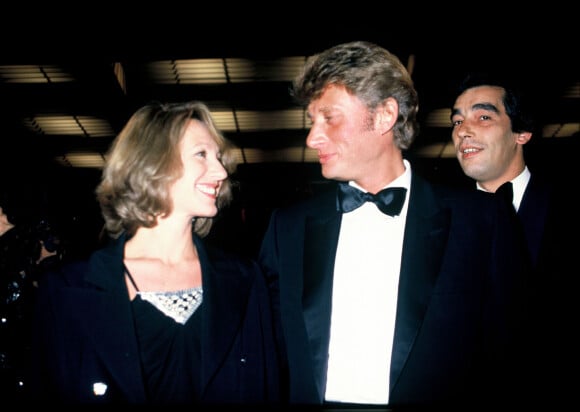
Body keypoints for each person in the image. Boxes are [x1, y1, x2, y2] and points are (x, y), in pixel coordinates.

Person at [258, 41, 530, 408]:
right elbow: (265, 352)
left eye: (330, 117)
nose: (312, 137)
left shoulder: (482, 221)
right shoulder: (286, 228)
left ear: (386, 116)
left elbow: (512, 351)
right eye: (312, 120)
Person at [27, 101, 281, 405]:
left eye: (218, 157)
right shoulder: (67, 291)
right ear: (153, 164)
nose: (220, 171)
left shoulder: (245, 279)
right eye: (202, 154)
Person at [450, 72, 578, 406]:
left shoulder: (569, 213)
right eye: (457, 120)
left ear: (521, 132)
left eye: (483, 116)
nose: (462, 130)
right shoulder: (440, 222)